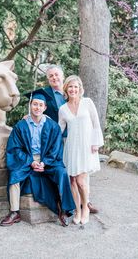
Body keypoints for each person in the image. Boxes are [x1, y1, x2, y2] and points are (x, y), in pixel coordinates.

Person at [0, 89, 75, 227]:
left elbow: (56, 148)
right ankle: (14, 212)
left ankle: (64, 209)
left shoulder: (52, 126)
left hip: (48, 159)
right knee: (14, 175)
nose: (37, 107)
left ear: (45, 107)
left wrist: (44, 163)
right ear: (30, 105)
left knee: (62, 172)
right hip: (27, 159)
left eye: (41, 105)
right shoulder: (21, 126)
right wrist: (31, 162)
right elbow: (14, 149)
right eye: (35, 104)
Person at [43, 64, 99, 214]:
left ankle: (86, 202)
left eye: (56, 74)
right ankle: (73, 202)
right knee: (71, 174)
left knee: (83, 173)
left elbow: (94, 122)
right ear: (48, 79)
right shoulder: (46, 95)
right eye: (51, 76)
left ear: (62, 76)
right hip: (64, 140)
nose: (54, 78)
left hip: (83, 138)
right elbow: (41, 112)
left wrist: (96, 142)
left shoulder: (76, 92)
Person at [58, 75, 104, 225]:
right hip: (72, 147)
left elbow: (96, 124)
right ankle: (77, 210)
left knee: (81, 181)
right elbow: (58, 129)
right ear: (66, 89)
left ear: (80, 89)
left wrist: (96, 143)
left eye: (75, 87)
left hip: (87, 146)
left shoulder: (87, 102)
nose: (73, 89)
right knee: (72, 180)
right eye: (70, 87)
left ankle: (86, 208)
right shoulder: (63, 109)